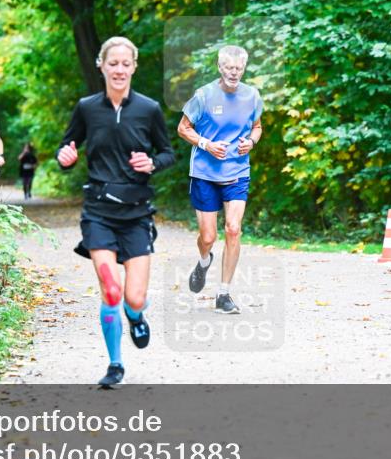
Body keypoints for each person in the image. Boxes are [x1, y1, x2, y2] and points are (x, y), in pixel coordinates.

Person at [57, 36, 175, 388]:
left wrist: (151, 162)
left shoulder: (149, 109)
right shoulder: (87, 107)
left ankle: (135, 315)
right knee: (111, 290)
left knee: (133, 297)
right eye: (113, 63)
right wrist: (66, 156)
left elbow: (168, 153)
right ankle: (115, 365)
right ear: (102, 66)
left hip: (137, 214)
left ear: (134, 67)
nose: (119, 69)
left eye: (126, 64)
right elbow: (67, 144)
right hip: (98, 212)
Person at [177, 45, 263, 314]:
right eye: (229, 67)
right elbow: (183, 128)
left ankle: (223, 294)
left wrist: (250, 141)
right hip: (205, 173)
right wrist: (205, 144)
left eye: (239, 68)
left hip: (237, 171)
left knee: (234, 229)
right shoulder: (203, 95)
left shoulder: (252, 96)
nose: (234, 72)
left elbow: (257, 127)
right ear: (220, 67)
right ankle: (204, 262)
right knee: (208, 236)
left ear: (244, 69)